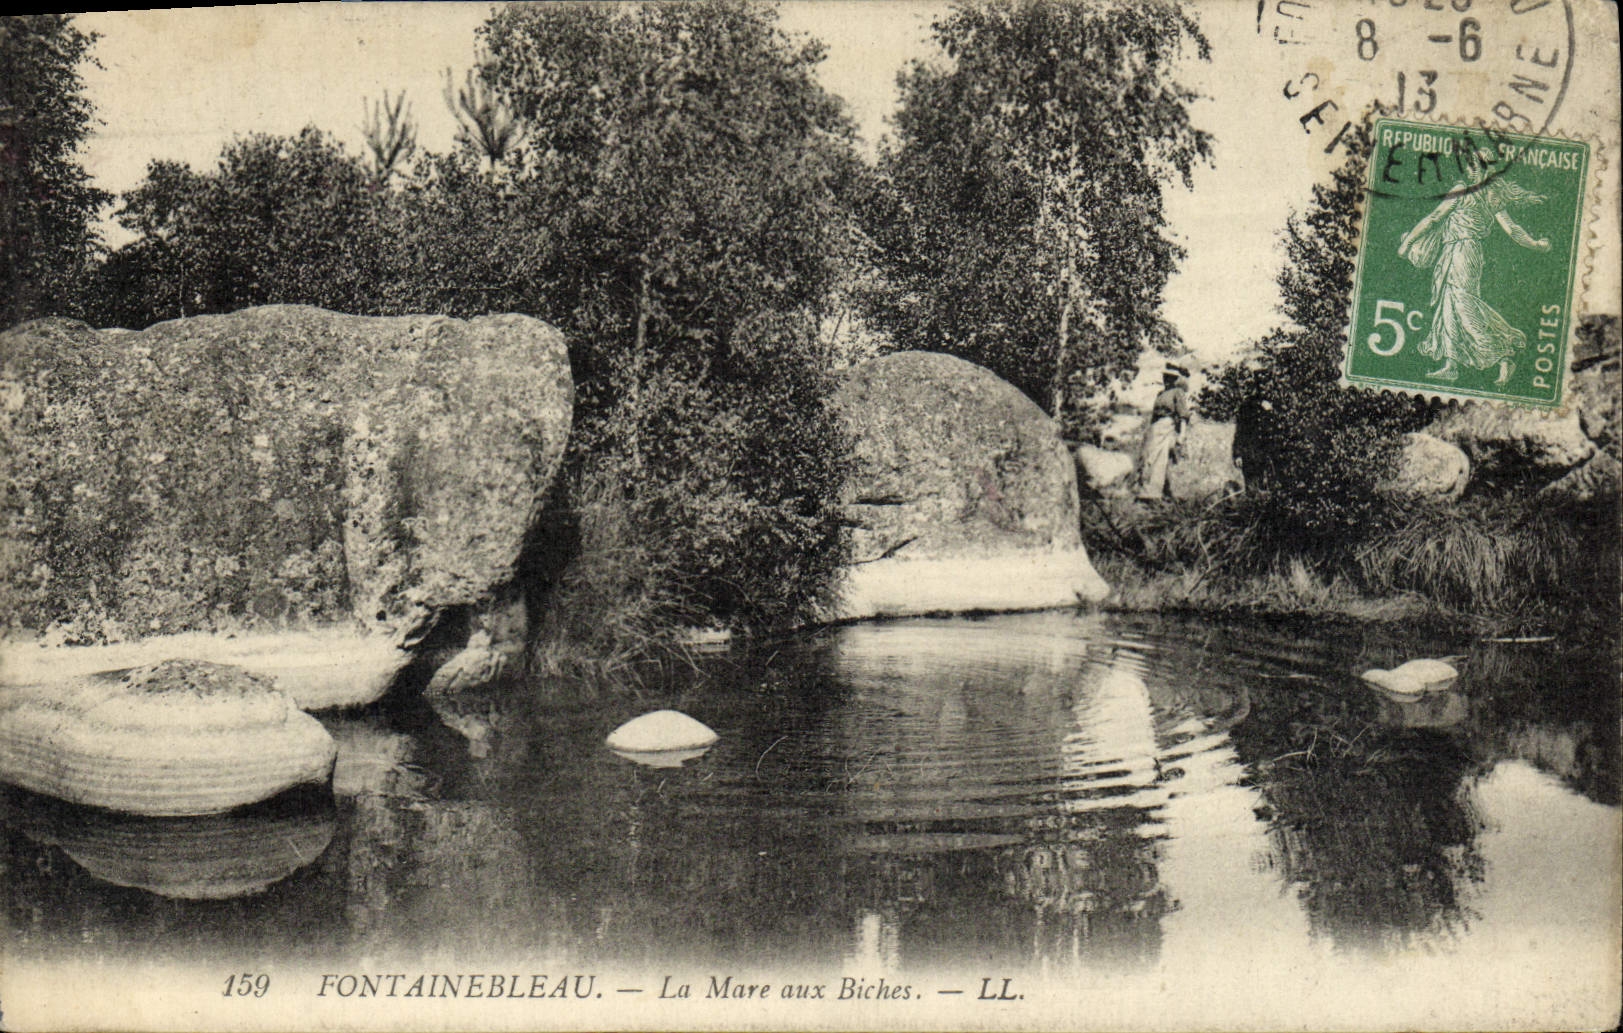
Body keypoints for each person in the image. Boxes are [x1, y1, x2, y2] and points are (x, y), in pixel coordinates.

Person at [1398, 147, 1551, 384]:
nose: (1468, 169)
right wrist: (1536, 244)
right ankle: (1451, 365)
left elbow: (1435, 217)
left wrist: (1408, 242)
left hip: (1461, 252)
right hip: (1466, 252)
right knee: (1450, 304)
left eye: (1470, 164)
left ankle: (1502, 356)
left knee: (1463, 305)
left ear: (1479, 166)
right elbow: (1512, 229)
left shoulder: (1464, 189)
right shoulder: (1494, 195)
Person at [1137, 363, 1191, 501]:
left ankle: (1153, 492)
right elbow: (1154, 415)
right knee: (1148, 457)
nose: (1167, 380)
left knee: (1161, 458)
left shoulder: (1177, 392)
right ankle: (1145, 489)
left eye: (1170, 377)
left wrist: (1182, 434)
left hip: (1167, 426)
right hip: (1155, 428)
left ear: (1175, 379)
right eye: (1165, 376)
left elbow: (1183, 414)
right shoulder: (1160, 394)